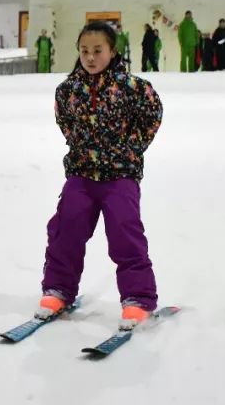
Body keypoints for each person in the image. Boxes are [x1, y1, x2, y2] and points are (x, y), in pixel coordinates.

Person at [35, 21, 163, 329]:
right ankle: (58, 289)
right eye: (84, 51)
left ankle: (138, 298)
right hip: (82, 173)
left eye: (98, 50)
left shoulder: (134, 88)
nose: (90, 57)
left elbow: (152, 115)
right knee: (66, 228)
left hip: (120, 175)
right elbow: (64, 122)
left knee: (124, 232)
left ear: (112, 51)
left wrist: (131, 148)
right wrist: (80, 146)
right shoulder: (68, 90)